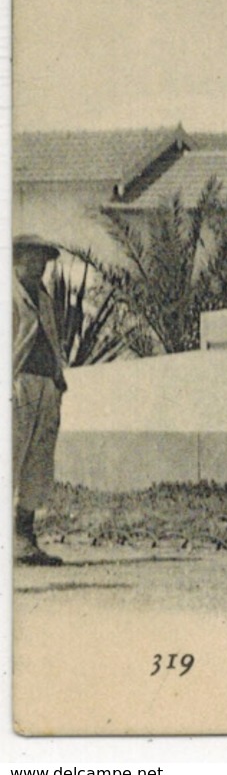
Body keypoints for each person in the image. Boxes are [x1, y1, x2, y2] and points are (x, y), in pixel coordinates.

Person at [13, 235, 68, 567]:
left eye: (44, 260)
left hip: (46, 384)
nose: (40, 266)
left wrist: (58, 378)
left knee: (38, 462)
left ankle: (24, 537)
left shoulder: (44, 298)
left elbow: (51, 339)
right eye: (33, 259)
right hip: (17, 383)